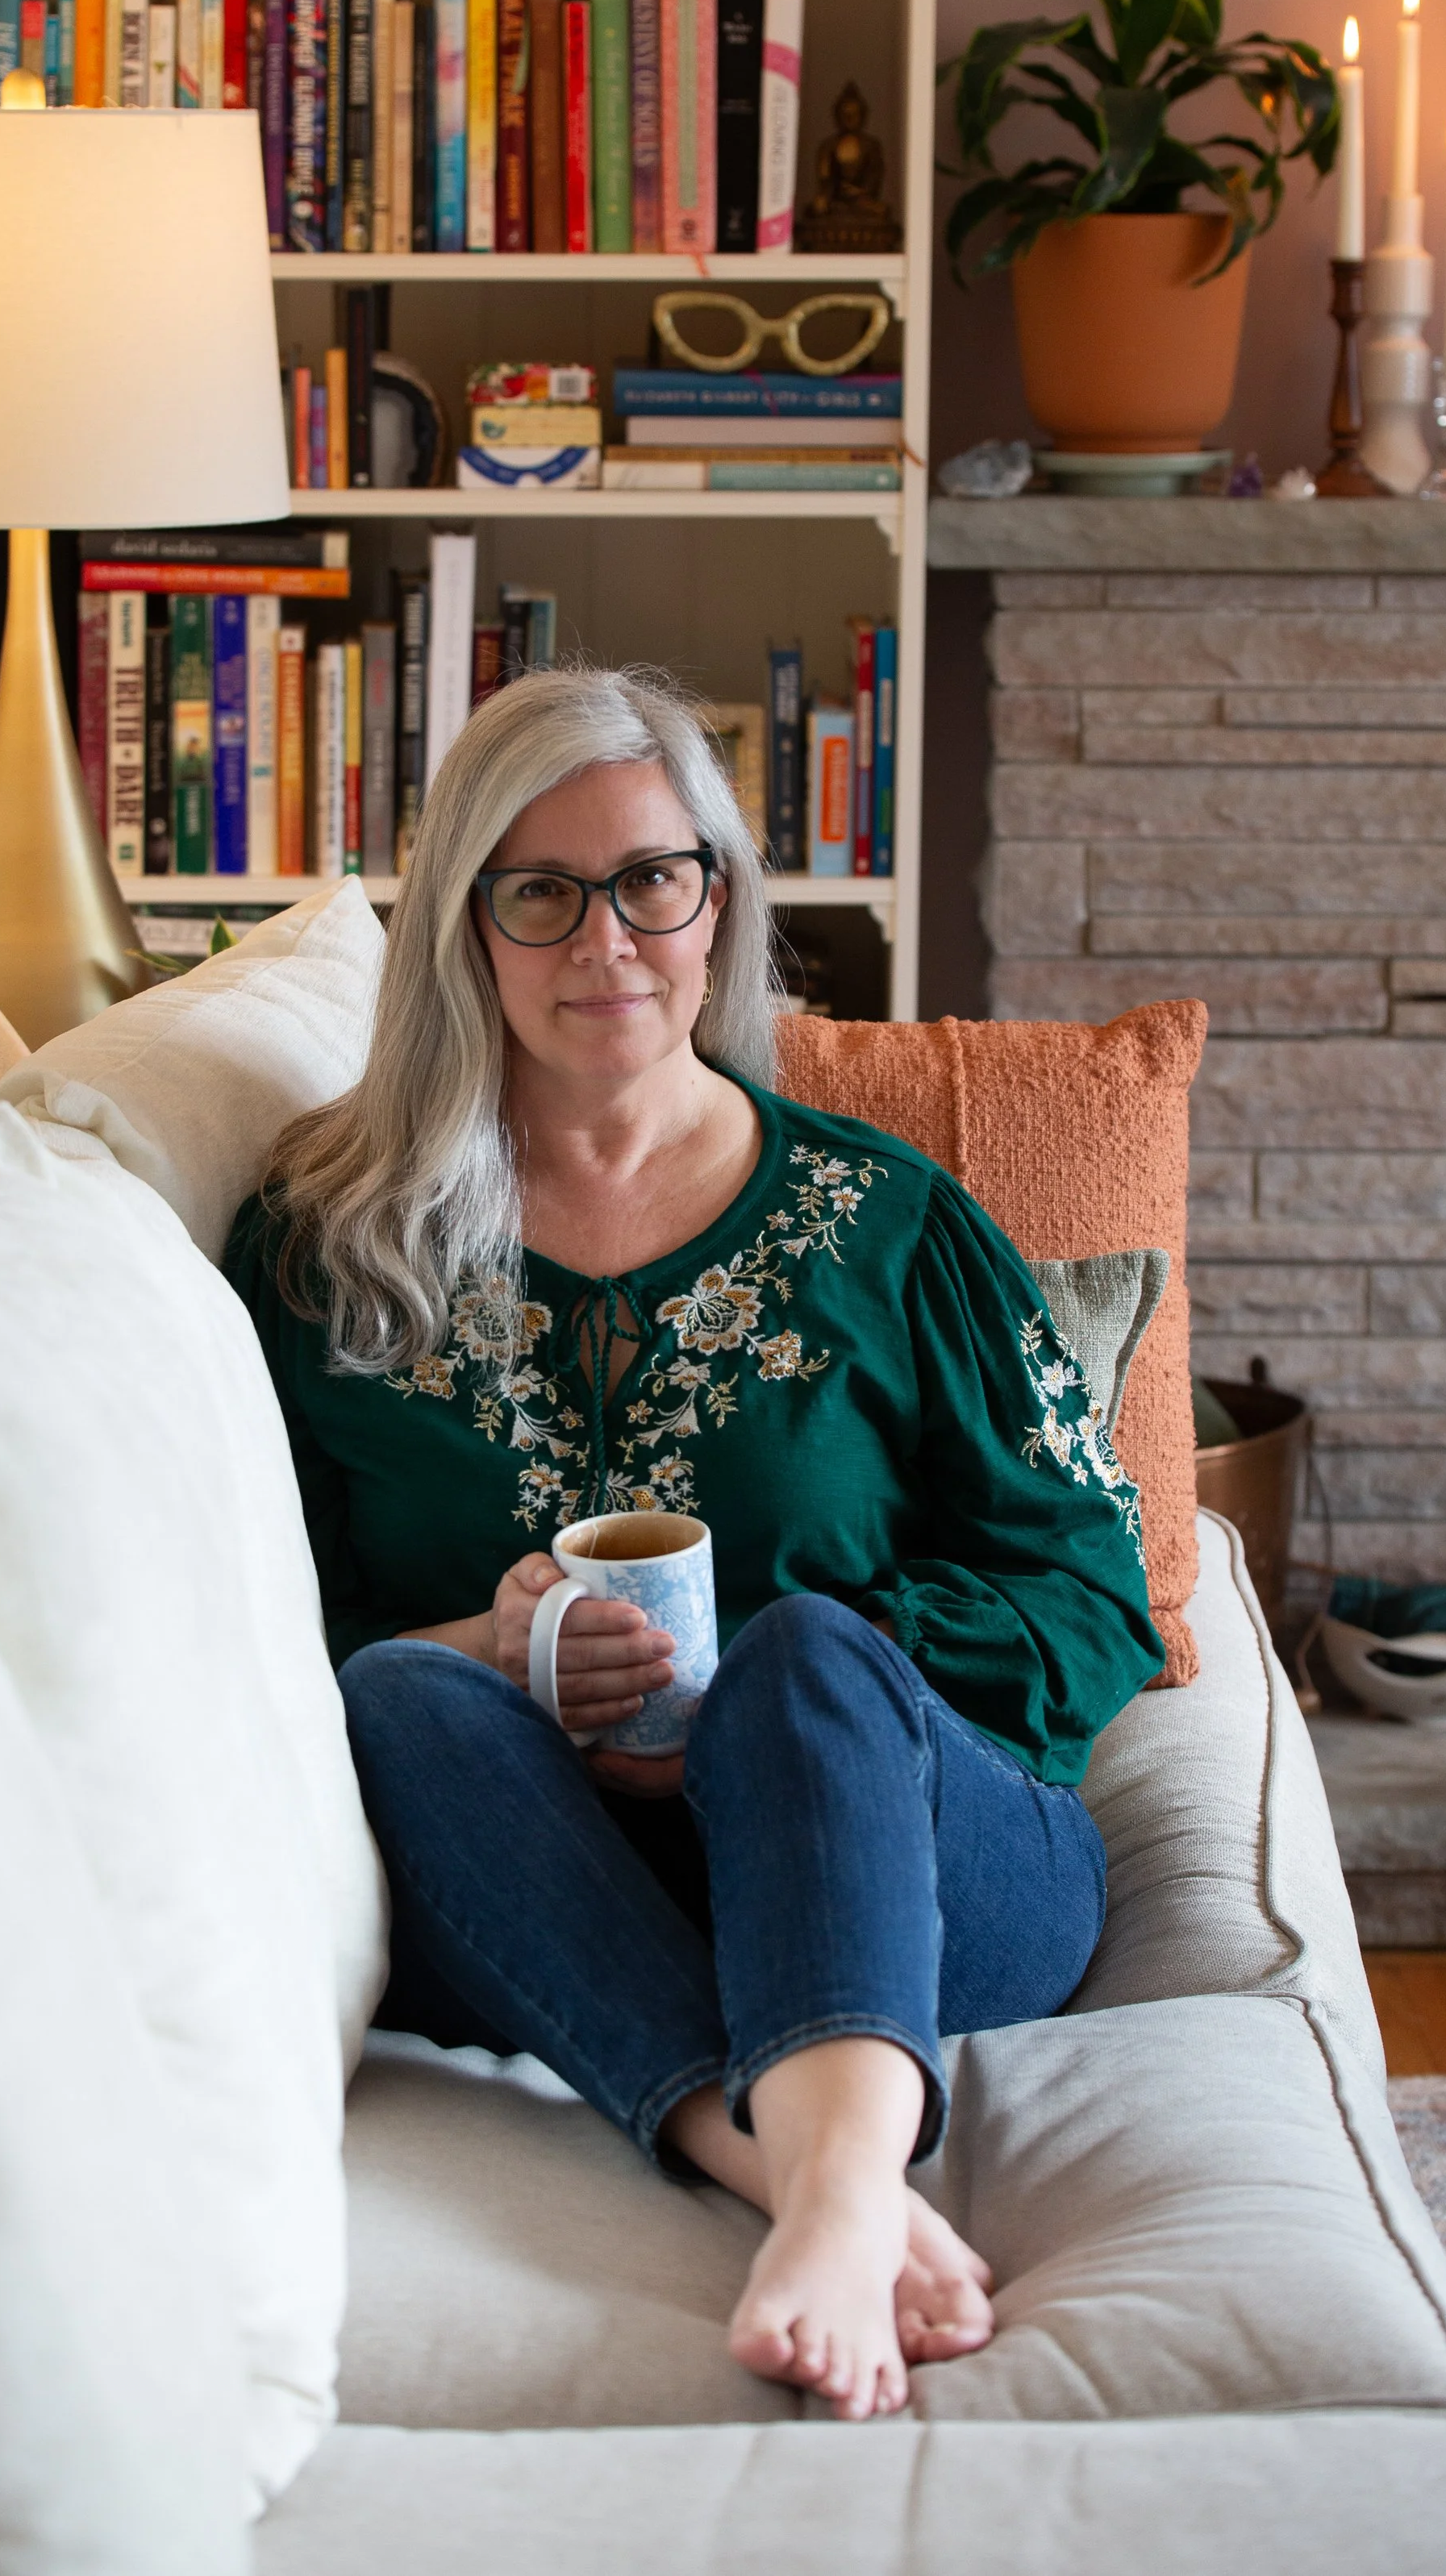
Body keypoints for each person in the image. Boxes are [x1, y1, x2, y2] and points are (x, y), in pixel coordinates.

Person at [226, 665, 1163, 2422]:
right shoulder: (322, 1248)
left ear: (717, 901)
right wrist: (488, 1653)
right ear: (462, 930)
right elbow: (259, 1644)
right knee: (408, 1708)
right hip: (525, 1881)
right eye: (539, 891)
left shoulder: (884, 1225)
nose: (608, 940)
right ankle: (813, 2190)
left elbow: (1087, 1591)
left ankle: (814, 2175)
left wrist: (759, 1711)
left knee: (805, 1653)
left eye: (653, 878)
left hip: (903, 1862)